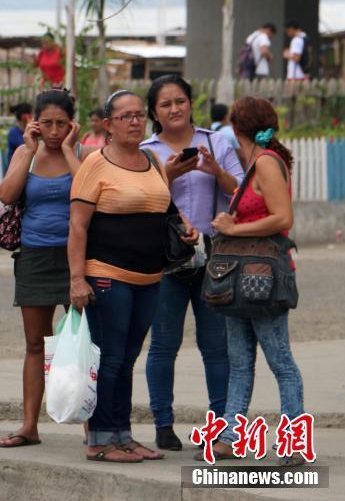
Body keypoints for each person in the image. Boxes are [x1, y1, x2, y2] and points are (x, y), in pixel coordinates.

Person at [68, 91, 198, 464]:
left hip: (149, 278)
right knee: (108, 358)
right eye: (125, 116)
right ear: (108, 124)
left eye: (140, 115)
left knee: (127, 359)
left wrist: (183, 225)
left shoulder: (153, 160)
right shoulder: (95, 163)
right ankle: (99, 439)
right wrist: (77, 279)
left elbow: (163, 204)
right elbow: (77, 227)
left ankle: (122, 434)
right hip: (107, 275)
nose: (135, 121)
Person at [140, 76, 243, 451]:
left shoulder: (216, 142)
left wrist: (216, 172)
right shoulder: (144, 150)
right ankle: (163, 425)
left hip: (215, 259)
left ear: (191, 103)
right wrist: (169, 174)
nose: (174, 109)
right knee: (163, 345)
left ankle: (219, 429)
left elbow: (243, 189)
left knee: (215, 346)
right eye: (165, 104)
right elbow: (136, 197)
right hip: (162, 261)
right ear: (154, 112)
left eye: (180, 101)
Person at [206, 97, 305, 467]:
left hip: (264, 278)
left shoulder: (264, 162)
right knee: (240, 360)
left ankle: (294, 441)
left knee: (280, 359)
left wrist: (235, 226)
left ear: (235, 127)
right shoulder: (255, 163)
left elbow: (283, 218)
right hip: (240, 276)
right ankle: (231, 436)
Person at [0, 91, 87, 448]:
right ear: (33, 121)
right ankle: (29, 426)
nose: (53, 130)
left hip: (75, 259)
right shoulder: (25, 153)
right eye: (46, 123)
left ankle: (88, 426)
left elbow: (90, 190)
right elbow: (6, 194)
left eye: (61, 124)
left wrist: (67, 149)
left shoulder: (83, 154)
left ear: (72, 125)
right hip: (33, 256)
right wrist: (29, 150)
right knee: (36, 343)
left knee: (81, 341)